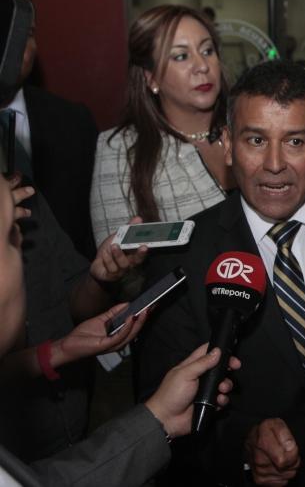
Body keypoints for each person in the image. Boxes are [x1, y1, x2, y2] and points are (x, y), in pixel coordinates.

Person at [135, 60, 305, 486]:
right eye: (256, 140)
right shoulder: (184, 256)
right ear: (228, 145)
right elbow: (155, 409)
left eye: (294, 141)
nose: (274, 163)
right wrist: (243, 445)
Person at [0, 175, 239, 487]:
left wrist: (57, 352)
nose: (19, 245)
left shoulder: (30, 196)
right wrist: (157, 419)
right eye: (10, 234)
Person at [90, 4, 233, 246]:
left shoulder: (246, 130)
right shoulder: (121, 149)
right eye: (181, 56)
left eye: (207, 50)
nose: (202, 65)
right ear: (151, 78)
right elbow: (115, 256)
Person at [0, 0, 98, 259]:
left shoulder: (74, 122)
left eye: (26, 32)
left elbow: (86, 232)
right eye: (6, 30)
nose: (15, 43)